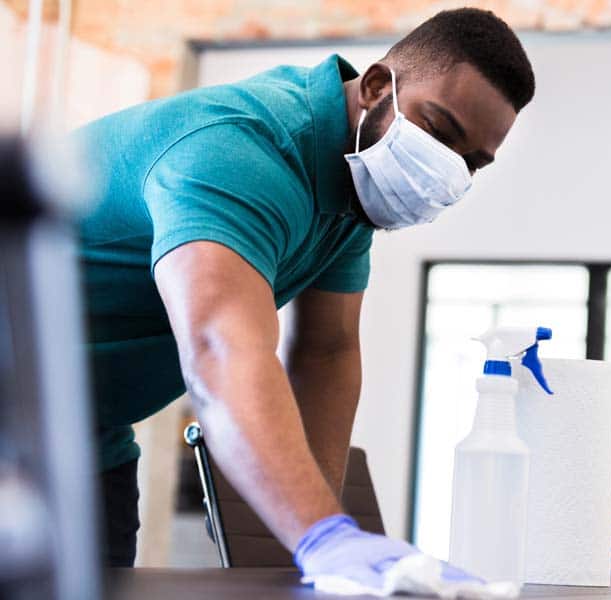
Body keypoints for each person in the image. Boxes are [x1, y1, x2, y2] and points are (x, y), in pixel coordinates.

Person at [75, 7, 535, 585]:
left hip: (86, 437)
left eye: (472, 163)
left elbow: (328, 352)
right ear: (374, 87)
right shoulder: (238, 152)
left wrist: (319, 554)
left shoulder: (347, 194)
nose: (448, 168)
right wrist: (323, 536)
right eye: (440, 131)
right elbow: (220, 348)